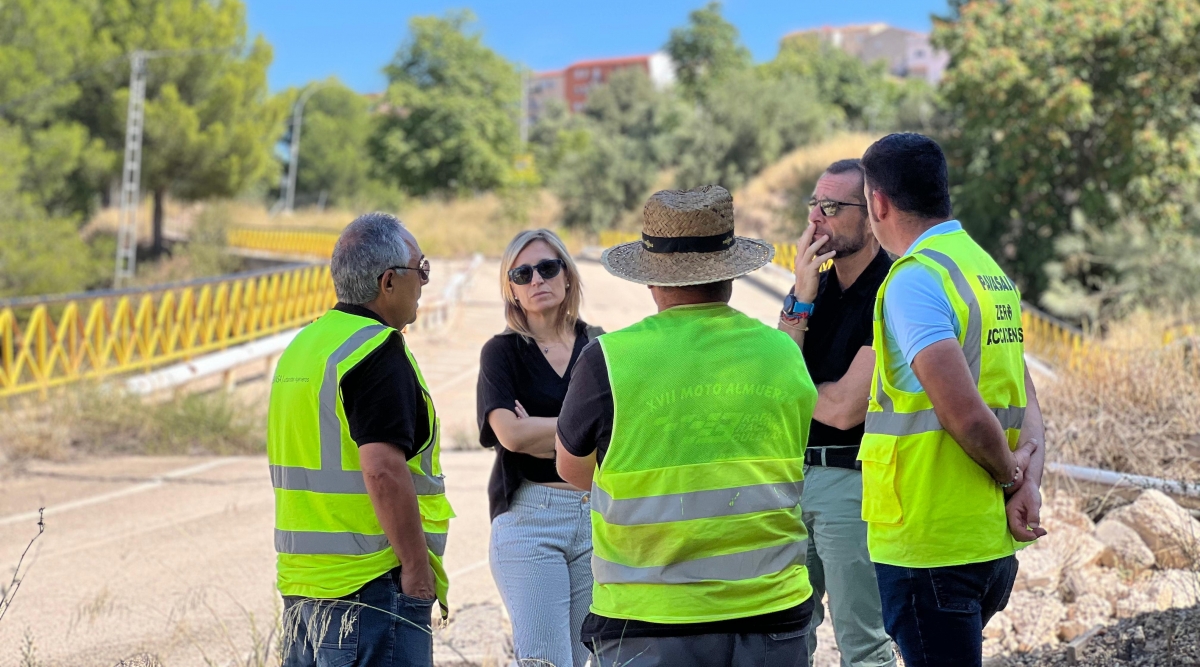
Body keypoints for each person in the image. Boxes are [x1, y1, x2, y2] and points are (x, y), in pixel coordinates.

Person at [555, 185, 819, 667]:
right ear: (732, 275)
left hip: (648, 621)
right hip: (772, 615)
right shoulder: (783, 353)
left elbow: (572, 469)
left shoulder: (608, 361)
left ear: (651, 279)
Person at [857, 133, 1047, 667]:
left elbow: (961, 411)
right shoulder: (985, 271)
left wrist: (1014, 479)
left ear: (878, 203)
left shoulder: (916, 279)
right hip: (986, 539)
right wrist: (1029, 479)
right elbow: (1024, 392)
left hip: (931, 542)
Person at [268, 212, 453, 667]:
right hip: (369, 587)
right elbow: (383, 470)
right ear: (388, 282)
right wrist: (416, 571)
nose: (424, 283)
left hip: (302, 591)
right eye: (421, 270)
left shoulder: (305, 346)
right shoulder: (375, 351)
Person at [778, 159, 897, 667]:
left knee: (864, 644)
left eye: (831, 208)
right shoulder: (813, 287)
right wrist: (801, 299)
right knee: (782, 636)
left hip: (855, 481)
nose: (815, 221)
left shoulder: (893, 289)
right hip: (792, 478)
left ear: (871, 213)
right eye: (813, 205)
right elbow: (775, 383)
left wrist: (799, 391)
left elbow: (847, 408)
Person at [476, 229, 602, 667]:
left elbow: (618, 430)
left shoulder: (602, 347)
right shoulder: (501, 353)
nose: (537, 280)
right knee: (545, 661)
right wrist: (581, 428)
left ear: (567, 275)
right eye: (522, 273)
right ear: (510, 288)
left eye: (547, 268)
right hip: (530, 519)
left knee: (582, 658)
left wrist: (539, 428)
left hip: (595, 518)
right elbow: (510, 436)